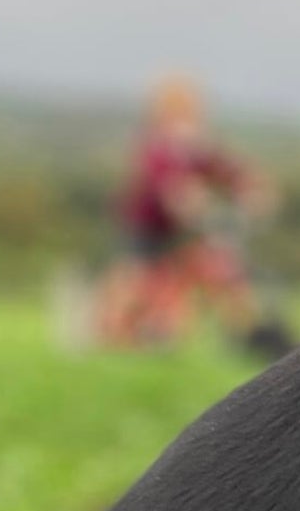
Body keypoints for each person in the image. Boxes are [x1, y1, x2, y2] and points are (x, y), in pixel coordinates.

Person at [96, 76, 277, 347]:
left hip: (186, 231)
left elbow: (229, 169)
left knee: (222, 272)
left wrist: (252, 190)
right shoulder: (157, 145)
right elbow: (166, 181)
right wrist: (188, 199)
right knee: (137, 286)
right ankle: (114, 333)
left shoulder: (198, 143)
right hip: (150, 227)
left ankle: (251, 334)